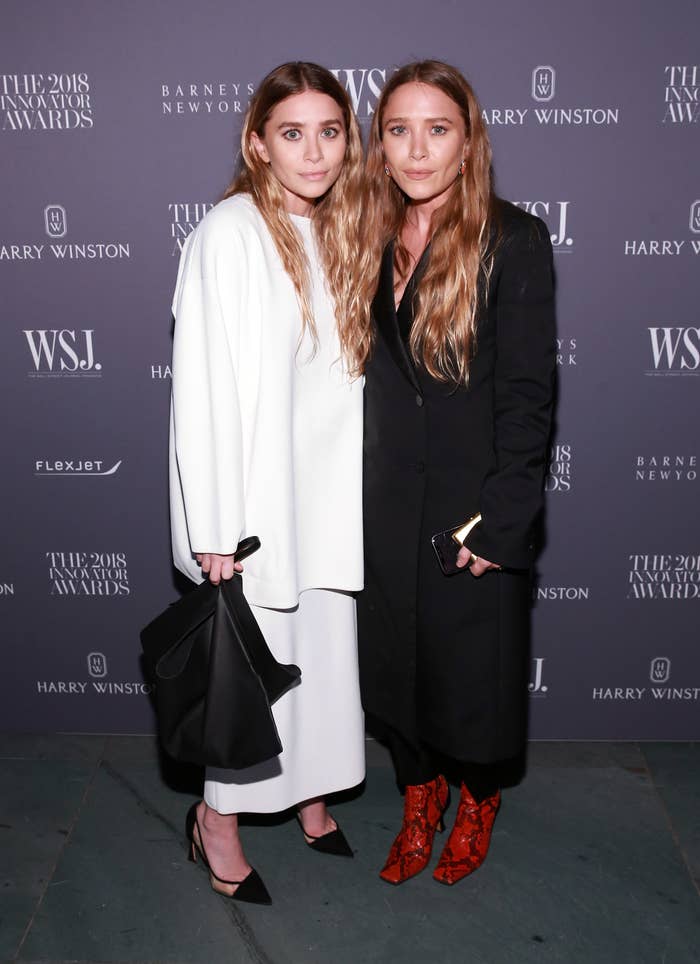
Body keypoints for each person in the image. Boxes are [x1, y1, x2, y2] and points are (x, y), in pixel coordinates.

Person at [169, 62, 367, 905]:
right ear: (258, 142)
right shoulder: (230, 232)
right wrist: (214, 527)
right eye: (293, 132)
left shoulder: (342, 228)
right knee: (251, 676)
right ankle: (219, 821)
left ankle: (312, 797)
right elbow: (203, 385)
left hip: (327, 498)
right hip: (255, 507)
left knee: (322, 659)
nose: (314, 151)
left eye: (329, 131)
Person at [354, 60, 556, 886]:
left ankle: (477, 799)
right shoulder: (362, 235)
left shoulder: (514, 238)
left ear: (468, 141)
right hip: (384, 504)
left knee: (474, 677)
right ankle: (419, 796)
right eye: (399, 129)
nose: (417, 149)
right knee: (396, 669)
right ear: (381, 143)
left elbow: (528, 395)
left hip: (470, 511)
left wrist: (503, 522)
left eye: (437, 129)